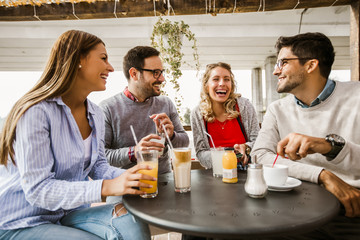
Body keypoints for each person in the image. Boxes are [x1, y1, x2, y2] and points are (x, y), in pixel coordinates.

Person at [0, 30, 152, 240]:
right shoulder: (36, 112)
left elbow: (98, 167)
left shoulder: (95, 113)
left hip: (68, 212)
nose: (111, 67)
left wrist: (133, 178)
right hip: (21, 221)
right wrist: (108, 187)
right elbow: (38, 190)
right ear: (79, 59)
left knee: (133, 223)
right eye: (103, 58)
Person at [252, 32, 360, 239]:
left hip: (351, 211)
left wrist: (330, 147)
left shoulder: (357, 97)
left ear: (310, 65)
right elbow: (260, 155)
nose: (276, 71)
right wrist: (322, 175)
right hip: (296, 208)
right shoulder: (277, 109)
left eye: (283, 63)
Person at [99, 46, 189, 175]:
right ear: (134, 74)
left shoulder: (166, 103)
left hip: (163, 182)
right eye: (155, 73)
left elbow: (184, 142)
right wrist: (134, 152)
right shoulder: (107, 108)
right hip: (125, 186)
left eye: (162, 72)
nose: (162, 79)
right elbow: (101, 158)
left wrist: (172, 135)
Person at [191, 62, 260, 170]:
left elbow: (258, 142)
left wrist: (246, 148)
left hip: (246, 170)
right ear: (206, 85)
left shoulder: (245, 106)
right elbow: (201, 153)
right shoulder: (197, 114)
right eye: (216, 79)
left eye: (227, 79)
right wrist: (224, 155)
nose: (222, 83)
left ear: (231, 85)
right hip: (216, 171)